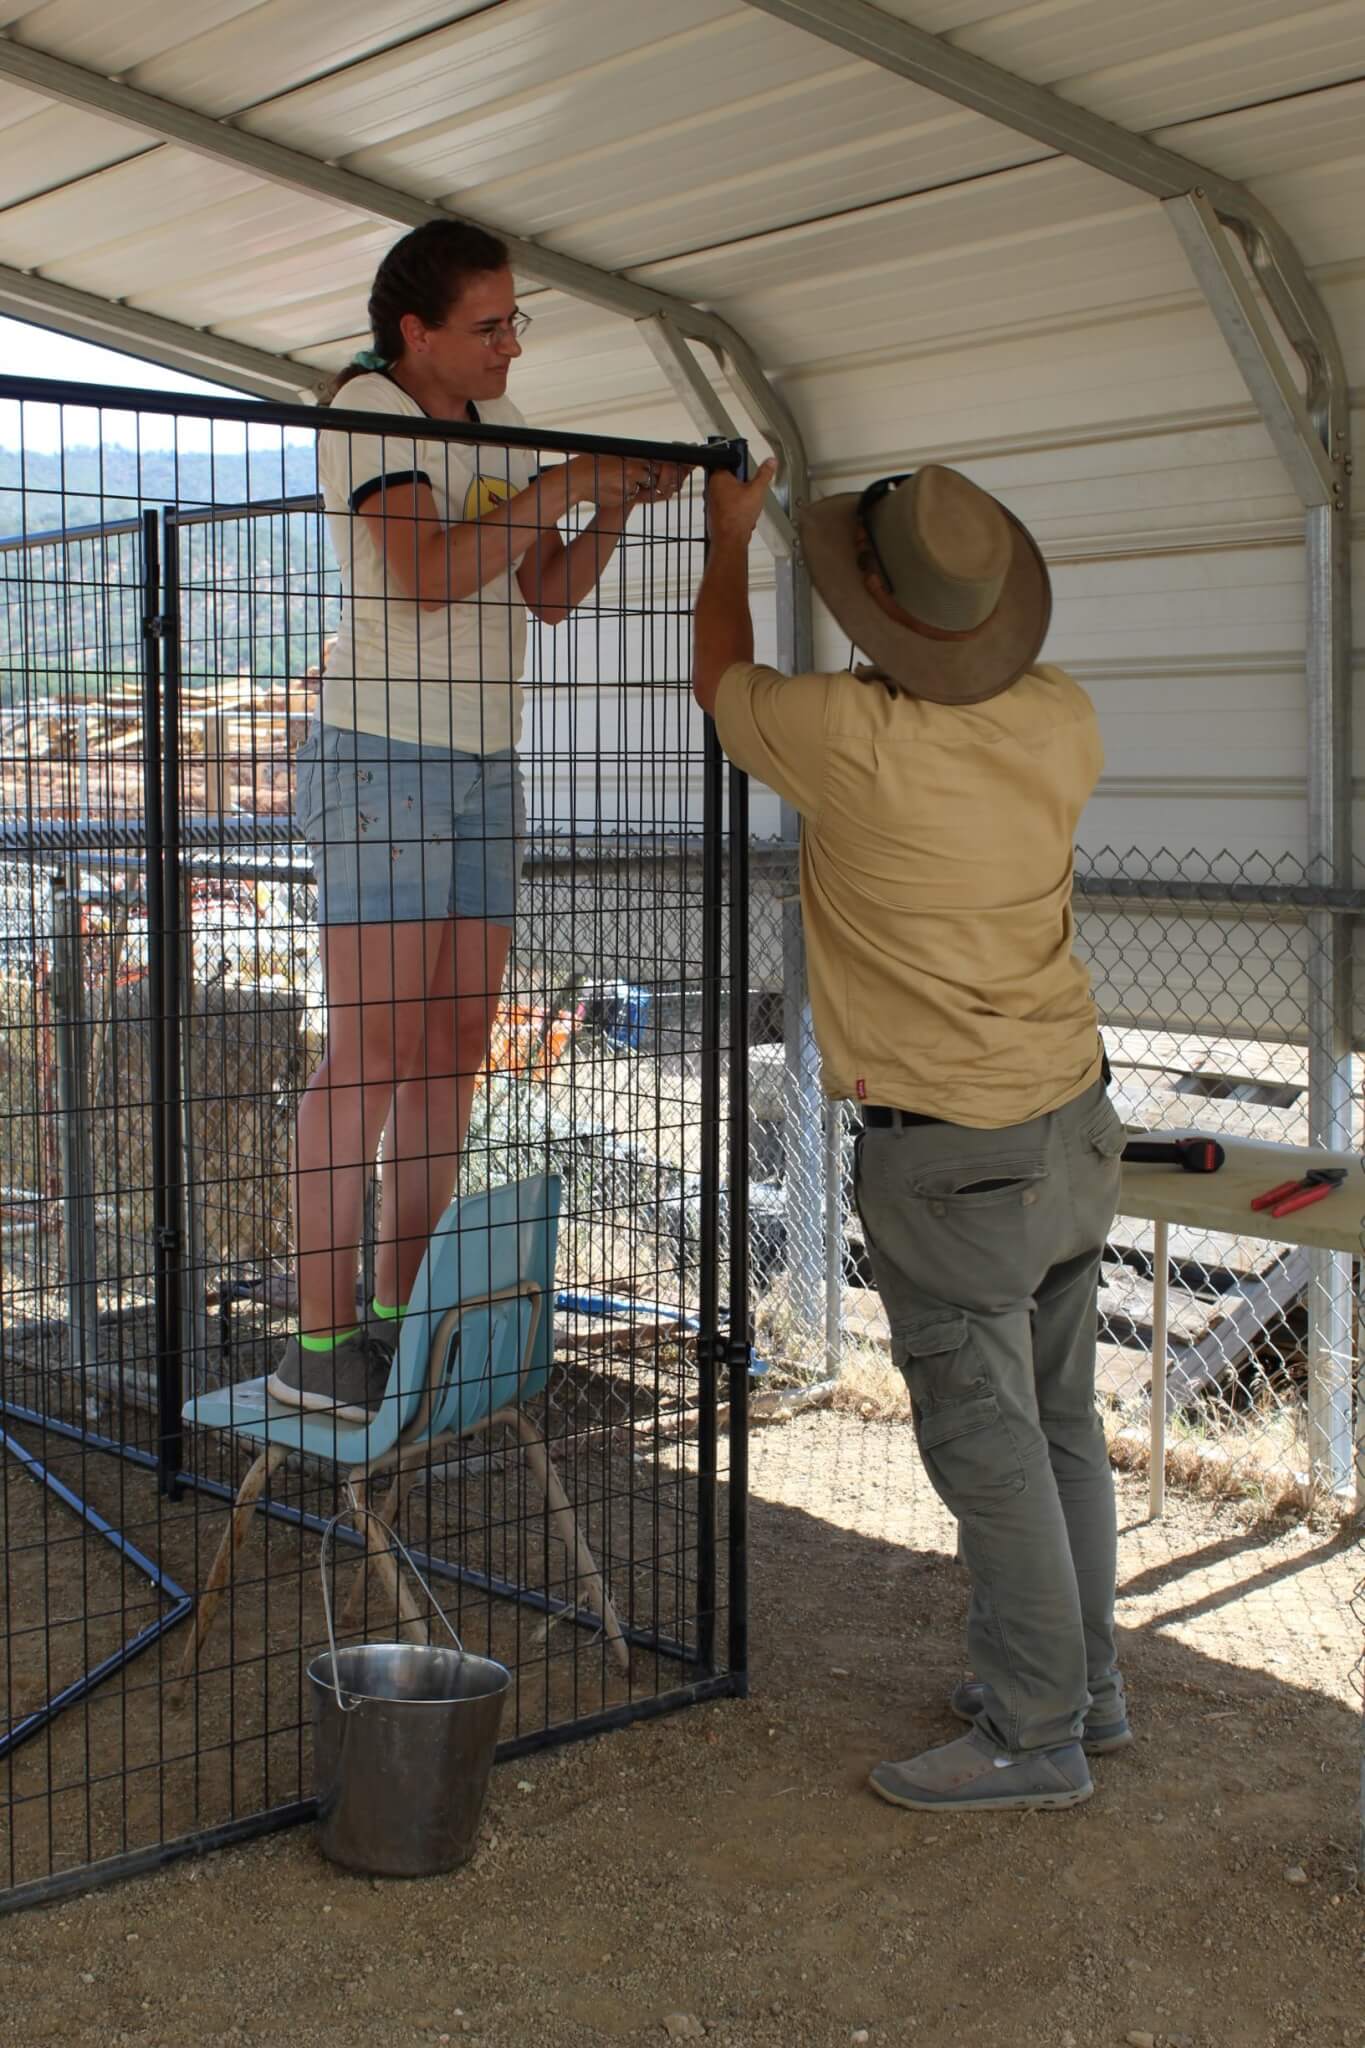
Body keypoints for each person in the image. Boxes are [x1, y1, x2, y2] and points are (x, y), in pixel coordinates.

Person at [692, 454, 1130, 1813]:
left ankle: (1034, 1735)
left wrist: (721, 542)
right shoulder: (1061, 717)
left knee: (987, 1447)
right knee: (1059, 1424)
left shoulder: (849, 737)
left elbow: (716, 676)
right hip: (1070, 1119)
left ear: (872, 610)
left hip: (951, 1157)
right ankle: (1081, 1690)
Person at [272, 220, 684, 1423]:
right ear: (418, 333)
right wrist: (562, 483)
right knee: (376, 1049)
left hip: (482, 763)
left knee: (455, 1041)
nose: (512, 344)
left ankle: (405, 1314)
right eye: (489, 325)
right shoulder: (364, 409)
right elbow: (425, 571)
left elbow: (544, 593)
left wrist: (607, 509)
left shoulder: (486, 438)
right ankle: (318, 1336)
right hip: (385, 761)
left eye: (516, 322)